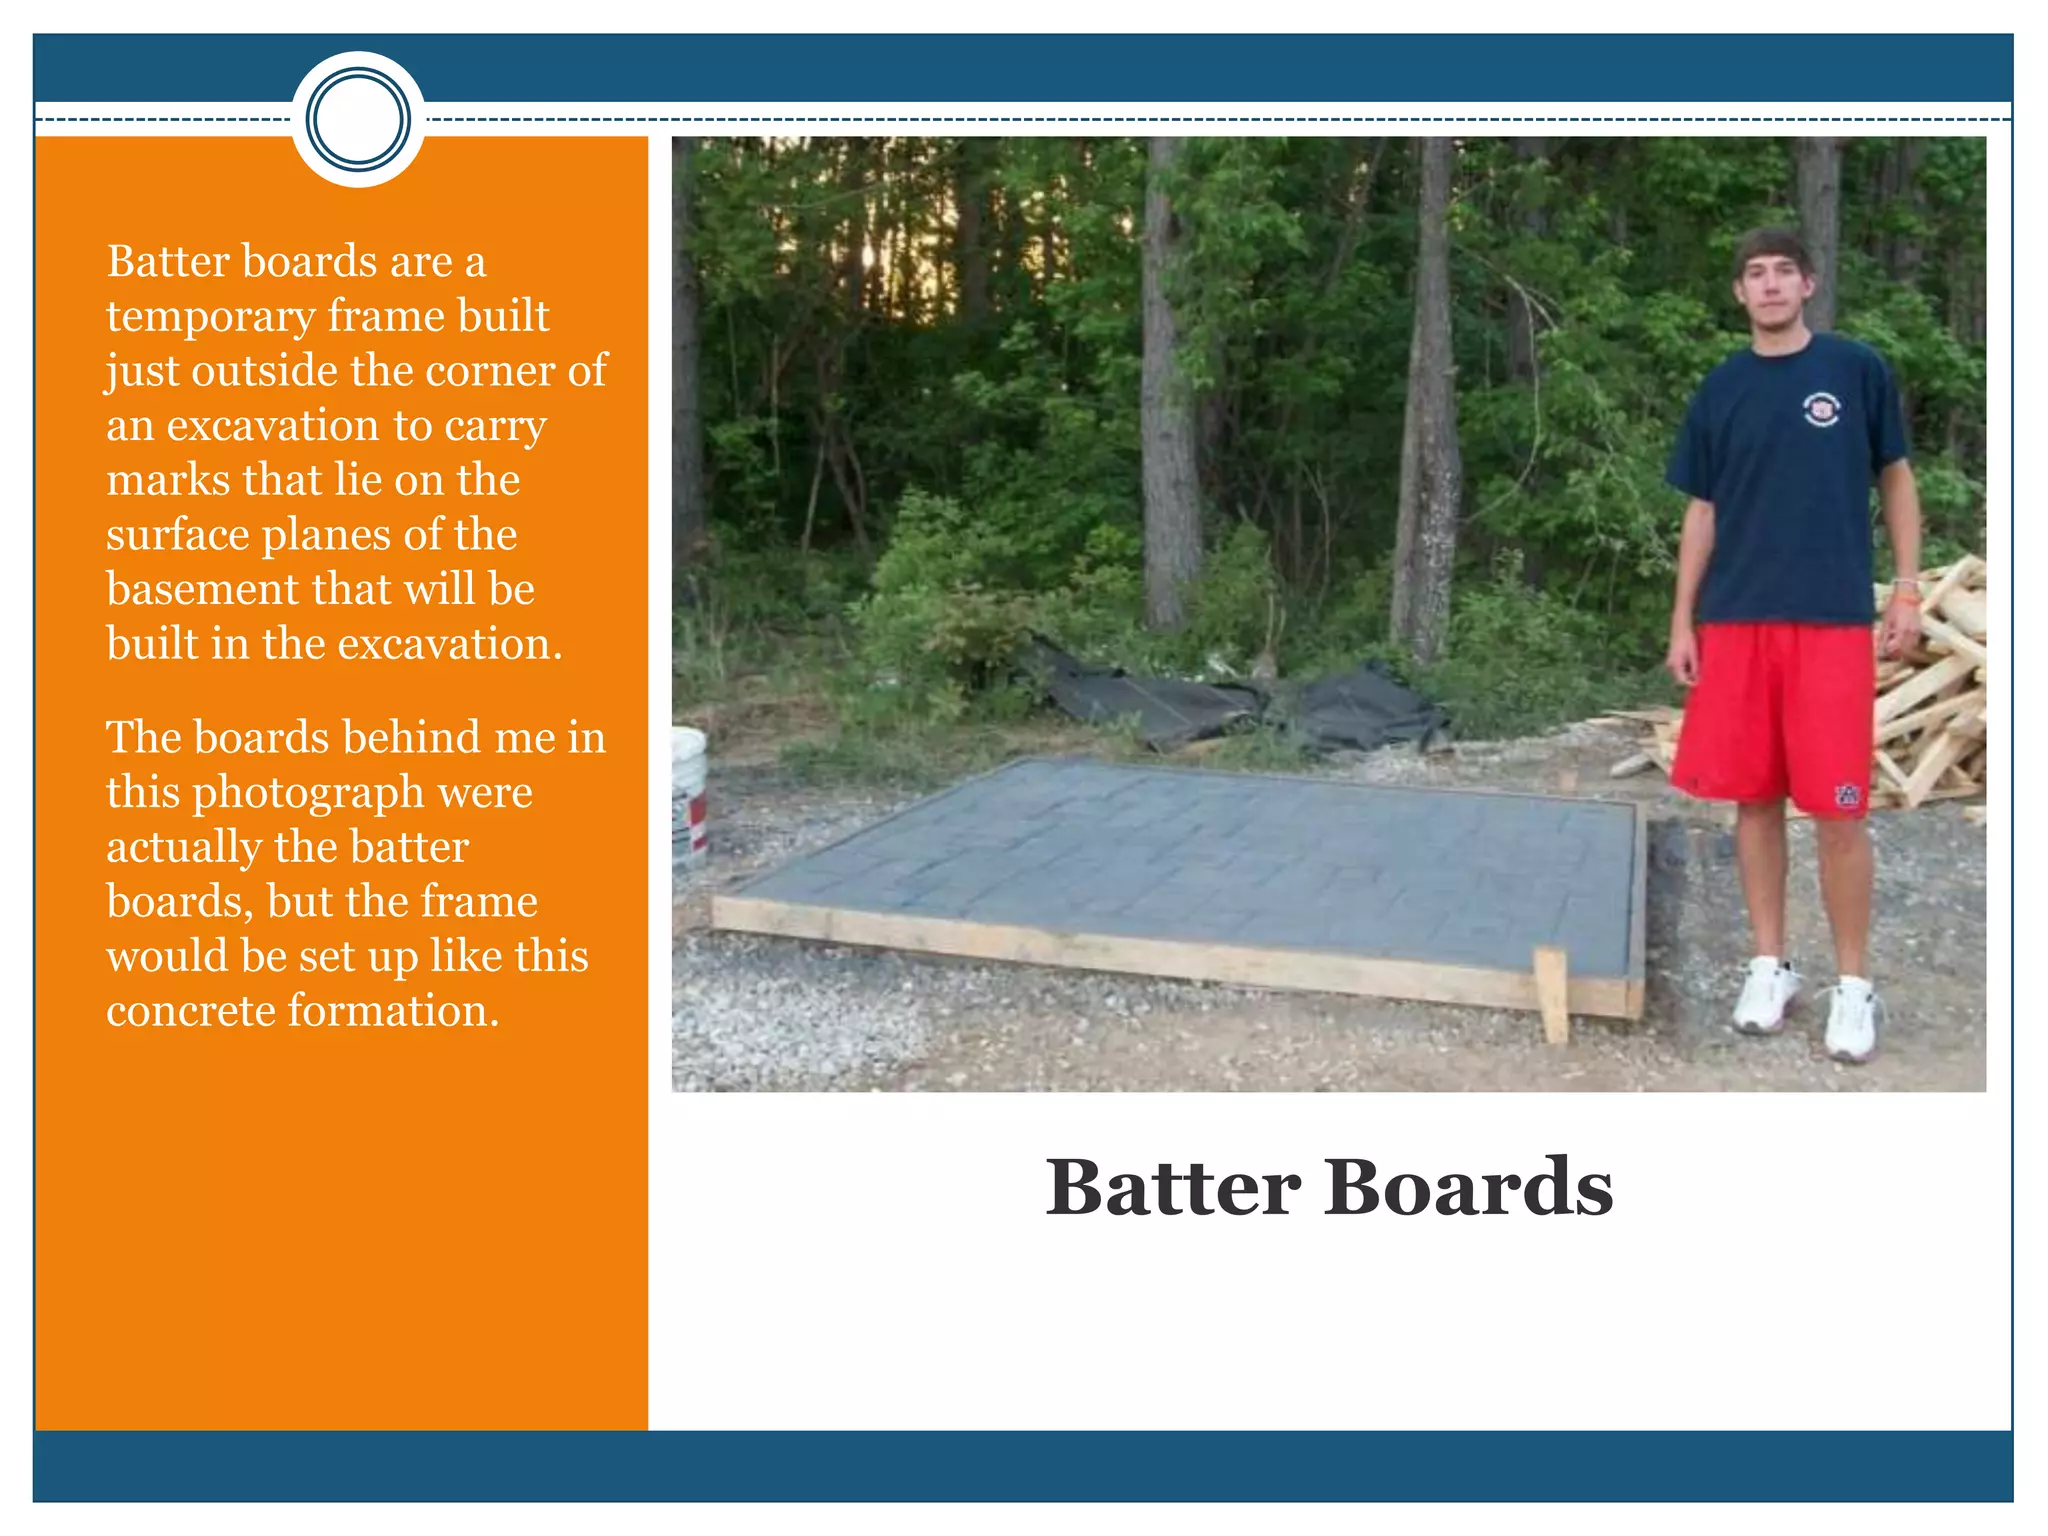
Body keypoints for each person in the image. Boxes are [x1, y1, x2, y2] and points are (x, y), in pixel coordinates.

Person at [1664, 226, 1922, 1064]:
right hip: (1738, 621)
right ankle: (1770, 966)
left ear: (1808, 285)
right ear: (1739, 293)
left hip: (1831, 621)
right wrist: (1683, 620)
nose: (1770, 285)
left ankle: (1854, 985)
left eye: (1784, 271)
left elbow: (1895, 477)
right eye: (1755, 273)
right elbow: (1702, 510)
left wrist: (1908, 588)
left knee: (1839, 811)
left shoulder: (1854, 370)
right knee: (1753, 800)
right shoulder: (1721, 388)